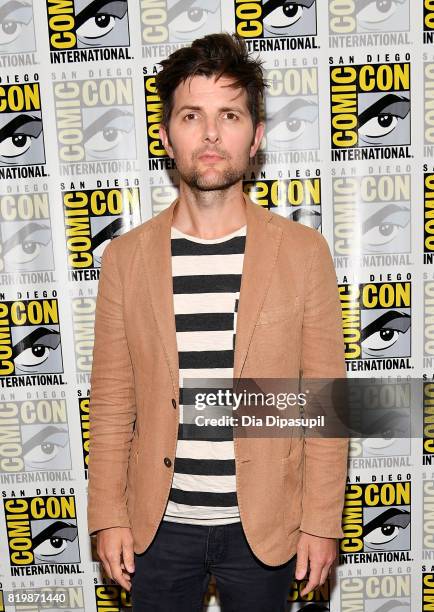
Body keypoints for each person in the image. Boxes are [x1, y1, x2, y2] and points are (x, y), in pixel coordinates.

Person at [87, 32, 348, 612]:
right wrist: (107, 514)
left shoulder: (304, 252)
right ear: (165, 136)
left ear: (255, 138)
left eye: (229, 115)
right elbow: (111, 400)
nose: (210, 133)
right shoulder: (126, 259)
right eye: (191, 115)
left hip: (266, 528)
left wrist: (322, 521)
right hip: (157, 529)